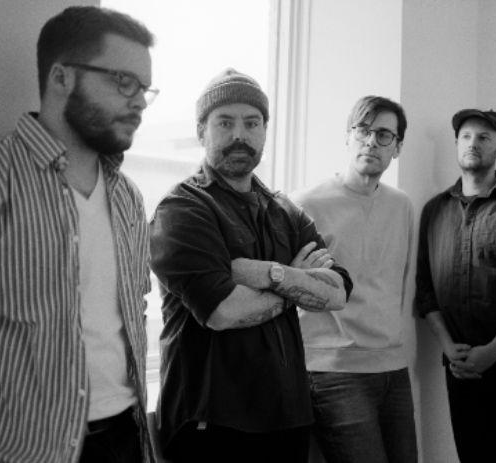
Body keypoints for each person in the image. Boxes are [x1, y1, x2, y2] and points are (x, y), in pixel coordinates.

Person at [149, 68, 352, 463]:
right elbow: (223, 312)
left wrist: (274, 274)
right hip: (212, 423)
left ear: (264, 131)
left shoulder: (284, 209)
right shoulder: (183, 209)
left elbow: (338, 293)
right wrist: (297, 282)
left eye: (251, 122)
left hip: (286, 415)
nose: (239, 134)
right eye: (225, 122)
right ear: (201, 131)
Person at [0, 6, 157, 463]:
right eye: (124, 82)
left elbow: (133, 308)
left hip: (125, 436)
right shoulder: (5, 180)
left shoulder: (128, 196)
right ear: (62, 77)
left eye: (144, 88)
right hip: (29, 447)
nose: (140, 102)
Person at [415, 109, 496, 462]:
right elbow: (425, 288)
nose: (473, 143)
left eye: (484, 137)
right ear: (457, 144)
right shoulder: (434, 211)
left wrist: (494, 350)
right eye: (466, 136)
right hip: (460, 368)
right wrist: (449, 348)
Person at [291, 96, 417, 463]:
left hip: (393, 366)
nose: (371, 142)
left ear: (397, 148)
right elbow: (290, 287)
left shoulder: (402, 205)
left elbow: (400, 281)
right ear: (348, 136)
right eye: (363, 130)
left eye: (383, 135)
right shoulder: (305, 204)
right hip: (334, 370)